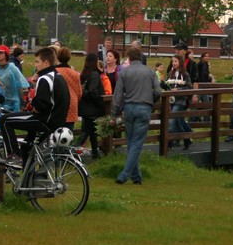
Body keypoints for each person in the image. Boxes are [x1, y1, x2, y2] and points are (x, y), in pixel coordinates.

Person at [0, 47, 69, 166]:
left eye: (37, 62)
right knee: (27, 146)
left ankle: (14, 156)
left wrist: (34, 105)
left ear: (46, 63)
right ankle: (30, 174)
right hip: (57, 121)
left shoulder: (44, 78)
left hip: (44, 120)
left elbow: (41, 105)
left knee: (4, 121)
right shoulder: (58, 76)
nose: (35, 65)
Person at [111, 46, 161, 185]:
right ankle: (124, 175)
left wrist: (114, 114)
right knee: (137, 143)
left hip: (129, 108)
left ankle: (136, 176)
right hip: (144, 107)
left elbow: (117, 95)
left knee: (130, 142)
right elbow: (158, 91)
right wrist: (151, 100)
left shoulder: (124, 72)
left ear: (129, 58)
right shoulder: (150, 72)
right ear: (141, 57)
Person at [77, 52, 107, 159]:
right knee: (86, 132)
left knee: (92, 132)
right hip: (93, 108)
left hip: (85, 108)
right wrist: (99, 101)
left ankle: (95, 153)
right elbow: (93, 92)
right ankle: (73, 151)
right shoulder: (94, 74)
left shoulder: (84, 75)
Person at [165, 55, 193, 149]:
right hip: (172, 100)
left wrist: (179, 89)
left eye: (176, 61)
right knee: (178, 121)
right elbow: (167, 85)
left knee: (172, 120)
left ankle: (169, 142)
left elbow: (189, 87)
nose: (173, 63)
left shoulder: (185, 74)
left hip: (181, 100)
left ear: (180, 62)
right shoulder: (170, 74)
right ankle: (186, 138)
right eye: (172, 61)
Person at [0, 44, 28, 112]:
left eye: (1, 52)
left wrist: (22, 102)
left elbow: (18, 86)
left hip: (12, 103)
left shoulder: (12, 68)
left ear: (6, 54)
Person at [55, 47, 82, 130]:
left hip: (57, 106)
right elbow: (79, 92)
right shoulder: (75, 74)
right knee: (68, 133)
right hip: (71, 107)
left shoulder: (54, 72)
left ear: (57, 57)